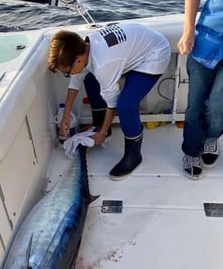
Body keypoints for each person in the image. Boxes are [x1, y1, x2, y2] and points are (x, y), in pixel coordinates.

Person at [48, 22, 171, 180]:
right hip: (134, 51)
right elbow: (76, 79)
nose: (68, 75)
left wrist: (101, 134)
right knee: (89, 77)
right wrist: (66, 115)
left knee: (126, 105)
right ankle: (100, 125)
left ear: (78, 61)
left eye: (66, 73)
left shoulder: (103, 64)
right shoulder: (86, 46)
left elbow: (112, 104)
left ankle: (134, 156)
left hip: (154, 55)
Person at [178, 0, 223, 180]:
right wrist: (188, 31)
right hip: (208, 38)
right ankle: (191, 149)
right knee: (195, 104)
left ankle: (212, 137)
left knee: (218, 106)